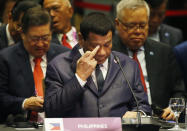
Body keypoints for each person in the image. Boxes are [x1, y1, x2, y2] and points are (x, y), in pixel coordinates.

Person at [44, 12, 151, 118]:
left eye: (107, 44)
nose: (102, 52)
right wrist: (79, 78)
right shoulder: (58, 66)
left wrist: (138, 114)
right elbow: (51, 110)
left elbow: (143, 107)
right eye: (95, 46)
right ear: (81, 39)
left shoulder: (128, 65)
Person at [112, 0, 185, 120]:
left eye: (143, 25)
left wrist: (173, 108)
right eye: (131, 26)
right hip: (123, 122)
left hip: (161, 122)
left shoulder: (163, 52)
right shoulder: (108, 53)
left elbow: (179, 91)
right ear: (117, 24)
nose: (138, 31)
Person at [0, 6, 69, 123]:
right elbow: (1, 96)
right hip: (21, 124)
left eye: (45, 38)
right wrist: (24, 103)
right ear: (22, 34)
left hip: (59, 124)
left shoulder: (64, 55)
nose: (40, 44)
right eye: (35, 38)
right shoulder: (6, 58)